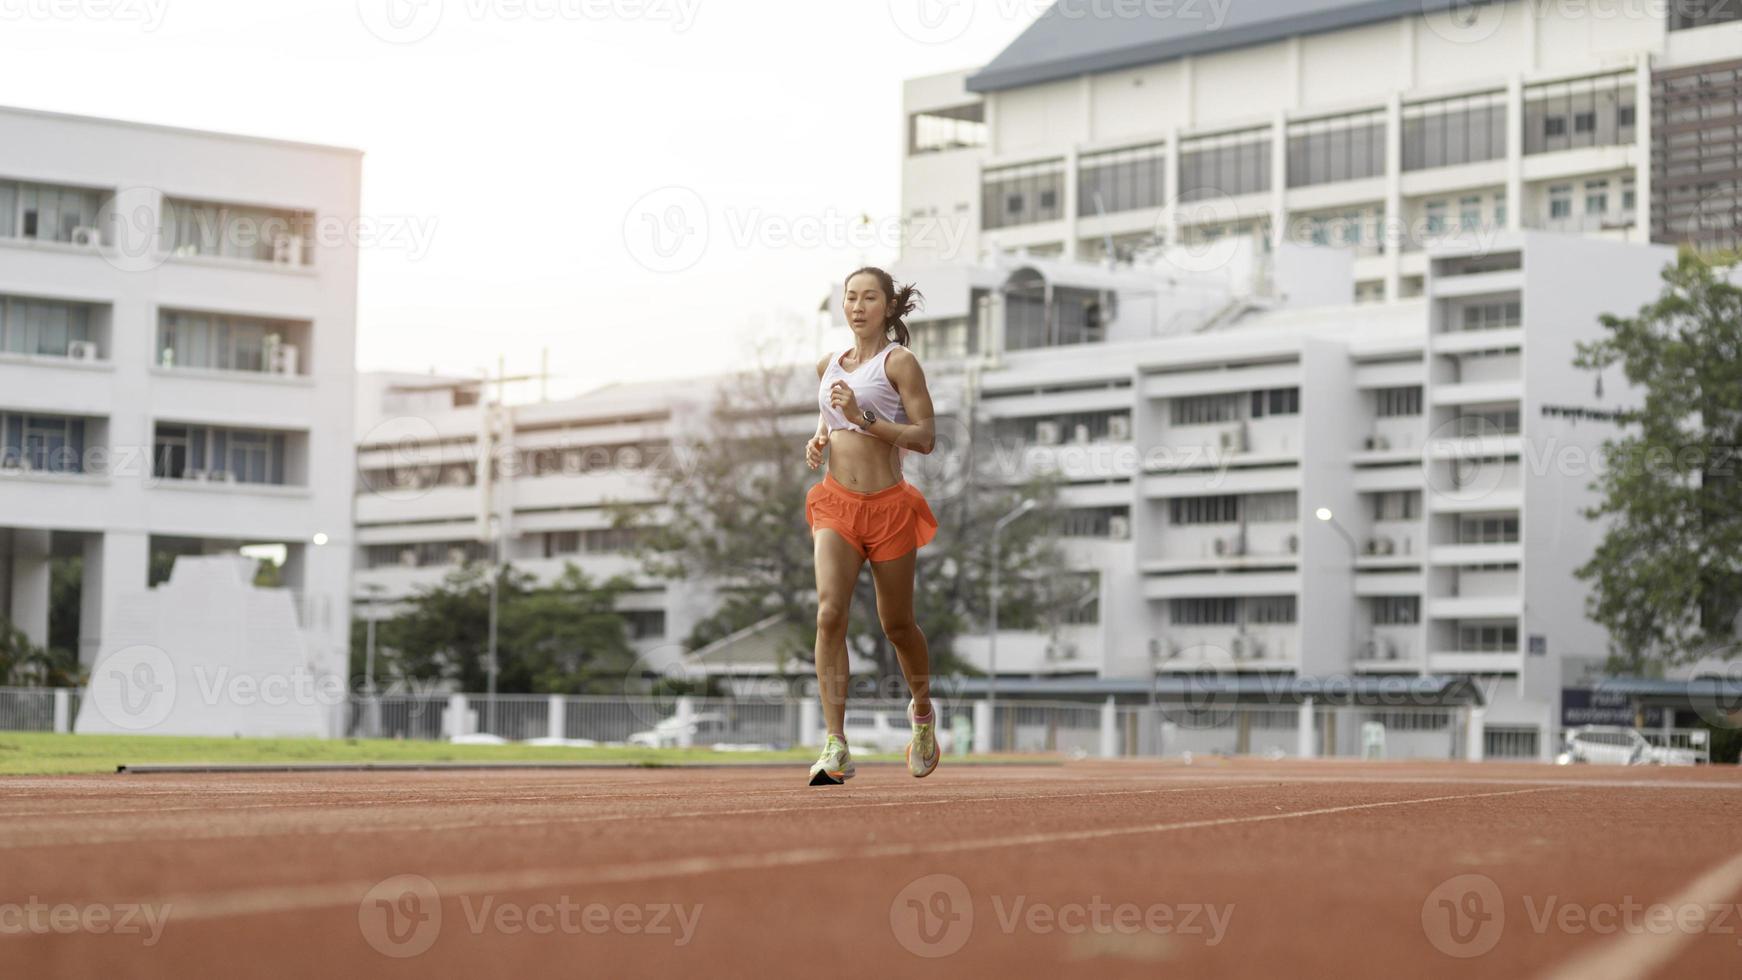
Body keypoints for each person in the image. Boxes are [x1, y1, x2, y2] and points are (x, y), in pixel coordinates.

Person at [802, 266, 939, 785]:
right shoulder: (829, 364)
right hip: (836, 503)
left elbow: (925, 438)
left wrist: (862, 419)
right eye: (850, 298)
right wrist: (819, 439)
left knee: (896, 624)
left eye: (869, 298)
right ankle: (835, 745)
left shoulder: (900, 362)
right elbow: (830, 415)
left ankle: (922, 712)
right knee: (829, 613)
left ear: (888, 306)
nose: (857, 307)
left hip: (887, 507)